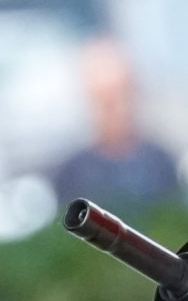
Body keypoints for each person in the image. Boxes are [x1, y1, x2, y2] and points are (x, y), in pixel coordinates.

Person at [48, 34, 180, 211]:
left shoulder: (160, 162)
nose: (115, 111)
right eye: (104, 101)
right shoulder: (70, 174)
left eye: (121, 96)